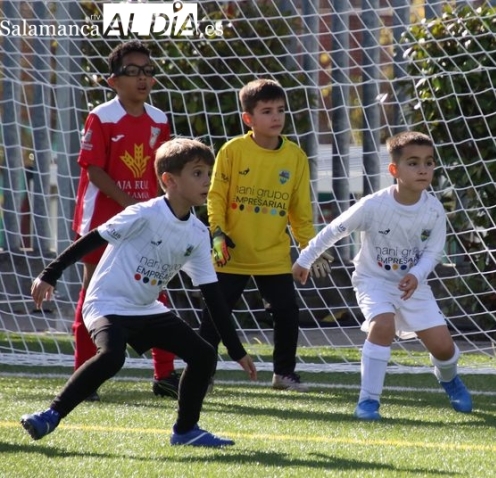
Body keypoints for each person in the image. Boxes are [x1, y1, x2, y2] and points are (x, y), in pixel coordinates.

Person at [20, 138, 258, 447]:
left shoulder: (199, 234)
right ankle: (50, 415)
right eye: (197, 173)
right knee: (112, 356)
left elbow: (213, 296)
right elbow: (94, 238)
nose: (206, 181)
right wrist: (50, 273)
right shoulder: (144, 214)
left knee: (203, 355)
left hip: (146, 308)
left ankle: (186, 431)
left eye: (208, 173)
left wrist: (237, 350)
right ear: (169, 181)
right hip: (107, 303)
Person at [292, 131, 472, 420]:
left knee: (443, 347)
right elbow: (335, 229)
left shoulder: (434, 210)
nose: (423, 169)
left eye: (429, 162)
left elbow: (433, 252)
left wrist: (416, 274)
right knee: (382, 326)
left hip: (414, 286)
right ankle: (368, 402)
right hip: (373, 281)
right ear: (394, 170)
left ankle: (450, 379)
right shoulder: (373, 206)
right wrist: (305, 258)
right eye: (413, 163)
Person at [199, 78, 333, 392]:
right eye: (267, 111)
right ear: (249, 118)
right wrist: (217, 233)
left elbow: (299, 211)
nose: (276, 117)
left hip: (273, 254)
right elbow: (215, 195)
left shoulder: (295, 157)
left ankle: (283, 374)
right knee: (214, 317)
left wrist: (309, 249)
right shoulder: (233, 151)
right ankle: (202, 373)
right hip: (229, 252)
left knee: (287, 314)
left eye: (281, 111)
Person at [72, 40, 178, 400]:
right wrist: (128, 204)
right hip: (102, 219)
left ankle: (164, 375)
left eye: (148, 71)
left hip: (144, 221)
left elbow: (163, 171)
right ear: (113, 80)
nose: (142, 78)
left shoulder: (160, 120)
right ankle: (84, 378)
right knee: (92, 295)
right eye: (132, 71)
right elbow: (95, 170)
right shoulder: (101, 117)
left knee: (154, 288)